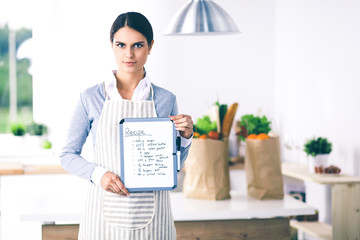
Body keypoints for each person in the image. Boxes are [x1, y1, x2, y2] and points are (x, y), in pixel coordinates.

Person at [60, 12, 193, 240]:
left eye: (138, 45)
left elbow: (173, 167)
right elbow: (67, 155)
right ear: (111, 45)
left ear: (150, 47)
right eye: (121, 45)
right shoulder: (90, 97)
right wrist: (99, 175)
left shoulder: (165, 99)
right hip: (102, 217)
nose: (129, 54)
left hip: (154, 220)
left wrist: (187, 137)